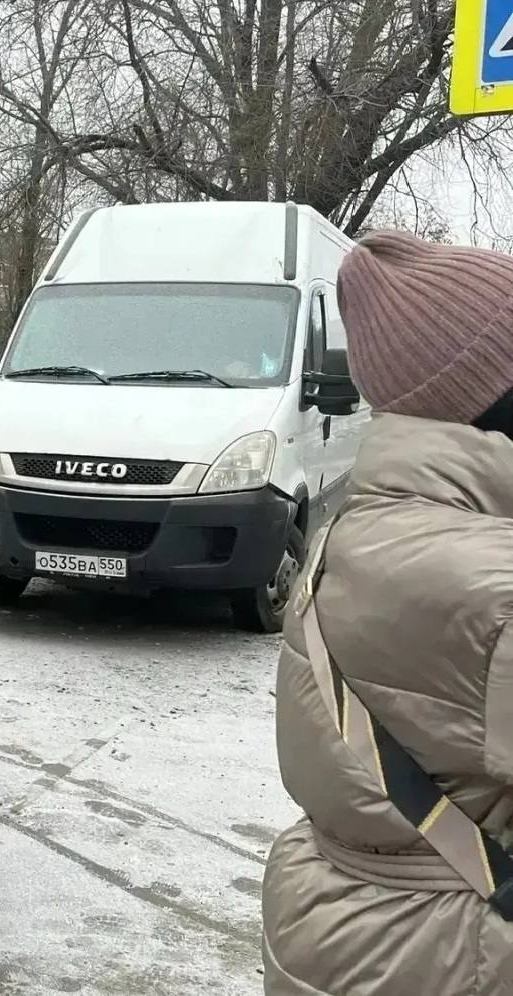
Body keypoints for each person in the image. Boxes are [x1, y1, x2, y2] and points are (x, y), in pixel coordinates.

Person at [262, 232, 513, 995]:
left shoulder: (360, 528)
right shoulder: (491, 581)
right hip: (453, 952)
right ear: (490, 396)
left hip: (346, 922)